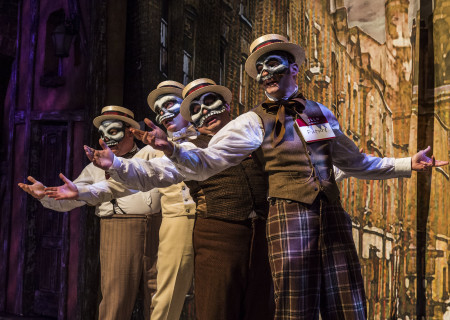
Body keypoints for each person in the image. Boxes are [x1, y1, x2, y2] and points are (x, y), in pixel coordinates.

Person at [75, 35, 447, 320]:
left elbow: (354, 161)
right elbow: (205, 162)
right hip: (285, 217)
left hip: (332, 216)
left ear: (294, 67)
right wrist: (167, 149)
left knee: (346, 299)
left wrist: (406, 164)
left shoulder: (320, 113)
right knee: (293, 305)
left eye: (273, 64)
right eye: (261, 70)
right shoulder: (250, 122)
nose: (266, 74)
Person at [46, 79, 275, 320]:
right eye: (159, 110)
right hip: (188, 223)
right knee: (175, 296)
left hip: (238, 226)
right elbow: (133, 177)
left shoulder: (237, 135)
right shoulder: (162, 147)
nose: (164, 114)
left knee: (247, 297)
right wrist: (93, 183)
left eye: (171, 105)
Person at [19, 106, 162, 320]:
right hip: (118, 229)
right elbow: (70, 198)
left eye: (113, 131)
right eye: (102, 133)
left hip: (160, 229)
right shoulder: (95, 168)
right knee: (116, 298)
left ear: (131, 131)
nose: (106, 138)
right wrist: (44, 196)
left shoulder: (150, 155)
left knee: (159, 296)